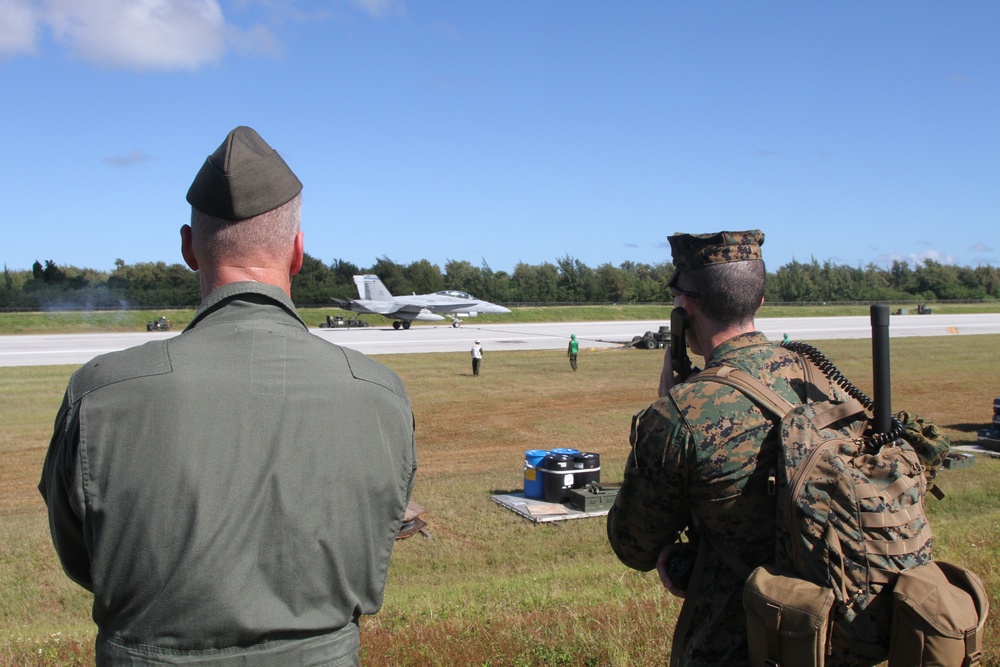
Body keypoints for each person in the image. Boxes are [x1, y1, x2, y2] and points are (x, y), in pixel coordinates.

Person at [39, 126, 418, 666]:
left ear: (189, 249)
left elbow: (81, 556)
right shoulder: (381, 396)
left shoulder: (99, 394)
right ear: (297, 252)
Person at [607, 230, 845, 666]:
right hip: (832, 634)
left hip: (740, 643)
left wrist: (667, 400)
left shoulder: (680, 413)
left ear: (686, 307)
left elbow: (633, 545)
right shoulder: (820, 377)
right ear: (759, 301)